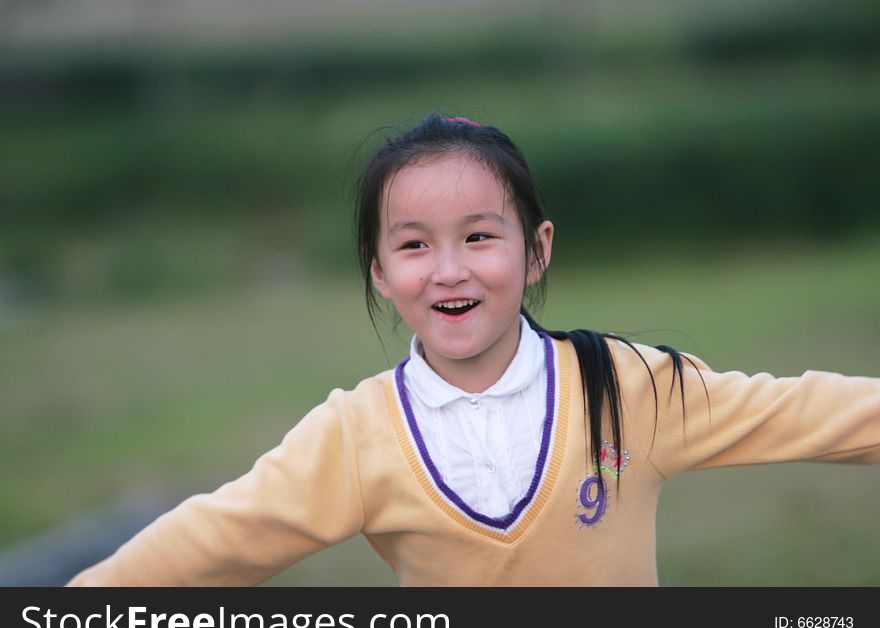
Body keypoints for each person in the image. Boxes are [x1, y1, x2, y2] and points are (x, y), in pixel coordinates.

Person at [67, 114, 880, 586]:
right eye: (414, 245)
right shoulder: (358, 434)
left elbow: (811, 414)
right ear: (379, 272)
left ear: (536, 250)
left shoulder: (626, 389)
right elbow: (215, 541)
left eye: (480, 236)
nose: (450, 269)